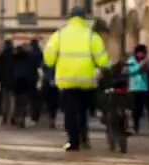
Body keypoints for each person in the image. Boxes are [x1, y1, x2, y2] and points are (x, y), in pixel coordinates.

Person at [43, 6, 109, 151]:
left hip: (67, 81)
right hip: (87, 81)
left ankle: (73, 141)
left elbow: (48, 58)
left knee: (70, 112)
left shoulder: (59, 35)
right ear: (84, 18)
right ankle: (84, 137)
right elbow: (103, 60)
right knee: (83, 111)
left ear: (70, 18)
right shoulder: (92, 36)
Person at [126, 44, 149, 134]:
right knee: (136, 109)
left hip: (146, 87)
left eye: (144, 53)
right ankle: (136, 126)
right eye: (141, 53)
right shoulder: (131, 61)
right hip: (135, 88)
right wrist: (140, 66)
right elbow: (130, 71)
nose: (142, 55)